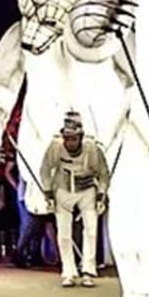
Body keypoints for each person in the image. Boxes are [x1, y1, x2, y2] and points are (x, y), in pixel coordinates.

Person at [39, 110, 109, 288]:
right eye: (67, 138)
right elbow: (45, 170)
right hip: (63, 189)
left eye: (73, 138)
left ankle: (88, 270)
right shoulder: (55, 147)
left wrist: (101, 196)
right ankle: (68, 271)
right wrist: (48, 193)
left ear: (80, 137)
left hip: (86, 191)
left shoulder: (92, 148)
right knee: (63, 234)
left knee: (91, 230)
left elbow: (103, 174)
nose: (70, 142)